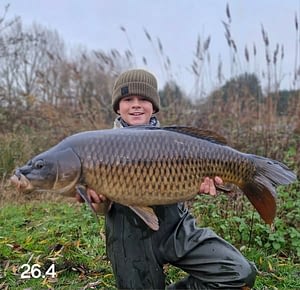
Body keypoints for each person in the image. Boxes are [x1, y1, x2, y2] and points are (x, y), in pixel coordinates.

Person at [76, 69, 257, 289]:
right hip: (128, 236)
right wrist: (99, 200)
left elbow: (191, 180)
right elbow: (101, 210)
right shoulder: (98, 148)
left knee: (240, 274)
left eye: (143, 99)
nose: (136, 104)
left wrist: (199, 183)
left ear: (153, 106)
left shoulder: (173, 142)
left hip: (175, 227)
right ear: (117, 107)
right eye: (128, 99)